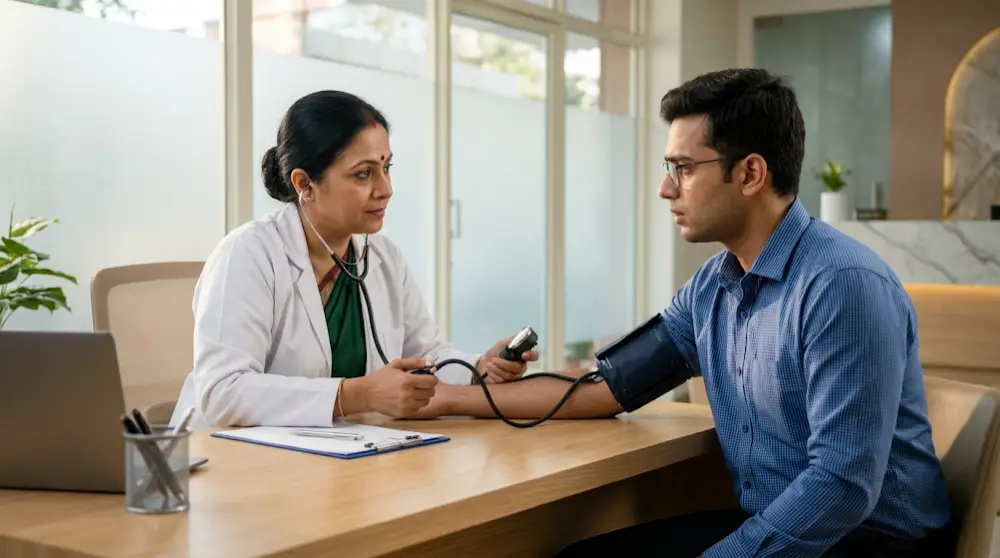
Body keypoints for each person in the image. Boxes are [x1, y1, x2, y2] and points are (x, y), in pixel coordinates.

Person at [412, 69, 952, 557]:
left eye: (683, 168)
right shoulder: (713, 286)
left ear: (751, 173)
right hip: (779, 525)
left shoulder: (843, 285)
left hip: (868, 539)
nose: (665, 188)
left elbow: (842, 485)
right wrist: (446, 400)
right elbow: (608, 388)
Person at [171, 91, 537, 430]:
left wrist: (478, 367)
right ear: (304, 184)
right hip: (230, 460)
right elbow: (223, 392)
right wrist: (356, 395)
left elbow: (425, 356)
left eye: (386, 169)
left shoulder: (383, 258)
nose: (386, 189)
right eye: (364, 174)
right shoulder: (248, 254)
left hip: (336, 454)